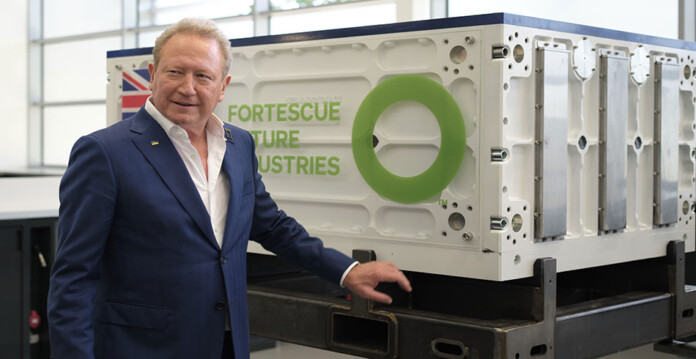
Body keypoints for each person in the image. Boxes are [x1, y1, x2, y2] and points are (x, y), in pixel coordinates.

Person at [47, 17, 411, 359]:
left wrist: (346, 271)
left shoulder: (239, 145)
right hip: (142, 346)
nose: (187, 87)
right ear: (153, 74)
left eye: (203, 76)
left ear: (222, 87)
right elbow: (74, 277)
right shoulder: (105, 152)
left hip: (226, 341)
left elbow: (271, 226)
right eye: (175, 71)